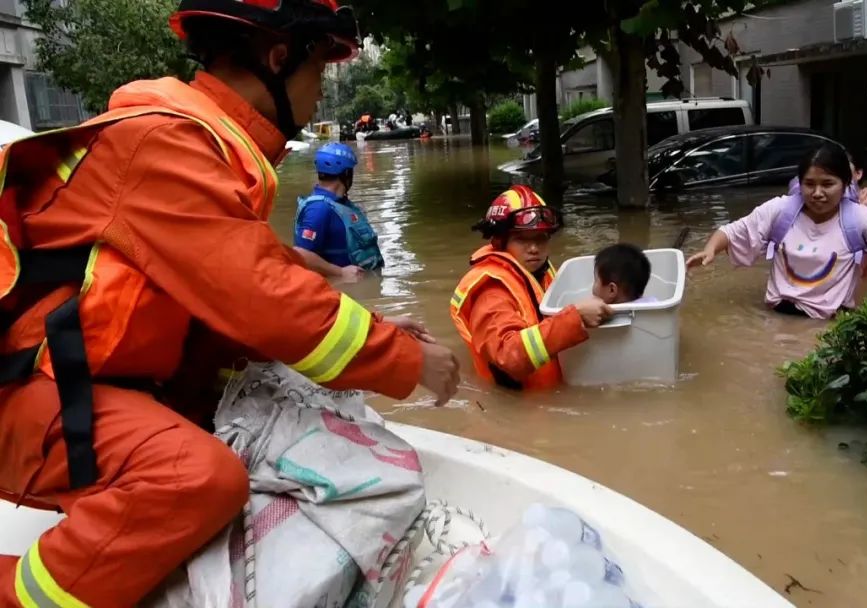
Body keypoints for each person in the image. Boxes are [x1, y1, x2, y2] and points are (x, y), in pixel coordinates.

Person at [0, 1, 460, 606]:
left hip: (82, 383)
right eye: (318, 74)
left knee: (256, 397)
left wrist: (375, 324)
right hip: (35, 393)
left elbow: (249, 283)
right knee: (198, 480)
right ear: (277, 59)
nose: (320, 96)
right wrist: (405, 360)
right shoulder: (161, 143)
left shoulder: (198, 150)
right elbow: (263, 297)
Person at [687, 144, 867, 319]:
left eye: (827, 184)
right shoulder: (781, 209)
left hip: (832, 324)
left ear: (846, 183)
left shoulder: (860, 219)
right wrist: (710, 250)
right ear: (800, 183)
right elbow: (733, 231)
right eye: (809, 184)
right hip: (777, 318)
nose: (817, 193)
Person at [449, 185, 611, 390]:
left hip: (550, 396)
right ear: (501, 242)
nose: (534, 248)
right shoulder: (492, 291)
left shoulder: (542, 272)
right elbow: (508, 356)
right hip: (516, 409)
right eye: (522, 239)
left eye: (540, 238)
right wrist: (575, 318)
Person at [294, 142, 384, 279]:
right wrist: (340, 272)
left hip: (362, 289)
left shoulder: (341, 204)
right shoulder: (319, 209)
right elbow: (300, 254)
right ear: (346, 173)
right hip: (342, 292)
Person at [788, 148, 867, 233]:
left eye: (842, 166)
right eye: (809, 183)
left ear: (858, 173)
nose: (817, 193)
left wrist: (862, 213)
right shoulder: (789, 208)